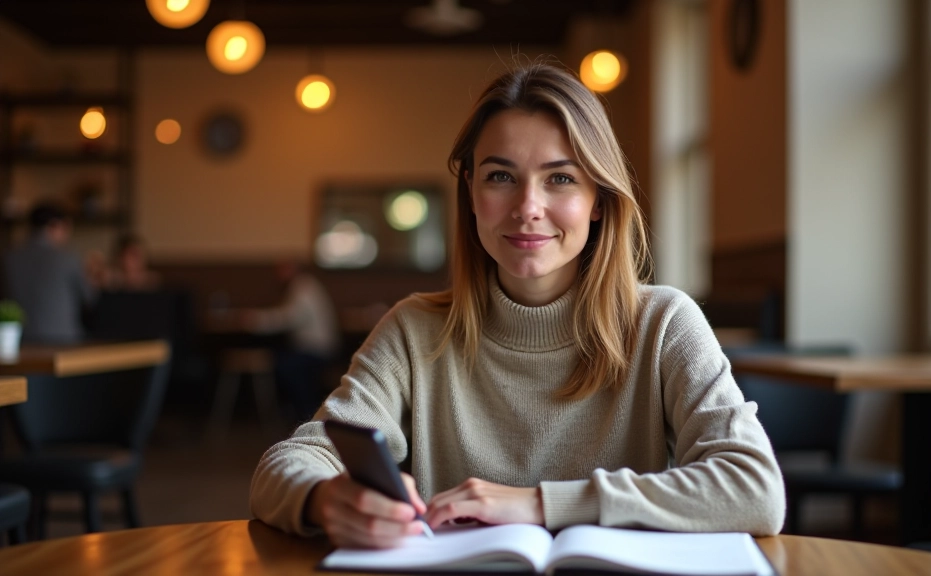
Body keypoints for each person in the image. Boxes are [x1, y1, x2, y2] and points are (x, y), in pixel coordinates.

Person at [250, 62, 785, 548]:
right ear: (472, 195)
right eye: (501, 177)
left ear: (597, 200)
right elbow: (288, 463)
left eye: (560, 178)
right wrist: (326, 498)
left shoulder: (664, 323)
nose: (528, 208)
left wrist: (537, 504)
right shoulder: (415, 331)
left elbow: (756, 489)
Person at [242, 261, 338, 423]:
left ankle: (307, 415)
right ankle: (304, 414)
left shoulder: (302, 287)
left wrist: (257, 320)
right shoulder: (305, 285)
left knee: (285, 366)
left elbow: (290, 318)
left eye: (283, 269)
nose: (279, 275)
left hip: (316, 349)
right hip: (316, 347)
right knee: (283, 361)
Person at [3, 203, 96, 342]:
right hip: (63, 340)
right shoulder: (67, 258)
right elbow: (89, 298)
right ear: (55, 226)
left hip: (19, 339)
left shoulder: (8, 258)